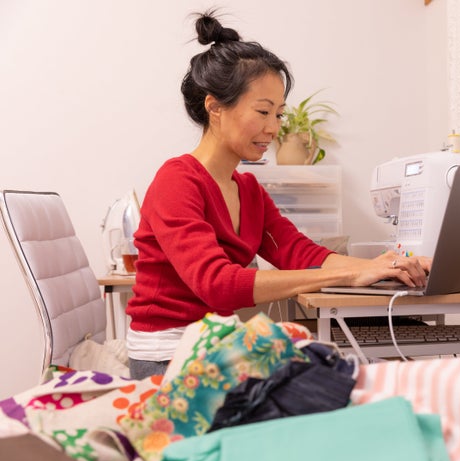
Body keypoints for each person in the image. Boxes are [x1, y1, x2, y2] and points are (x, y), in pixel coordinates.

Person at [125, 11, 431, 380]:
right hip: (166, 358)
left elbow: (299, 253)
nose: (273, 128)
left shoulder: (249, 189)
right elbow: (219, 285)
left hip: (212, 347)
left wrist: (383, 266)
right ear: (215, 107)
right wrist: (351, 274)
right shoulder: (177, 181)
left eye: (279, 114)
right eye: (262, 112)